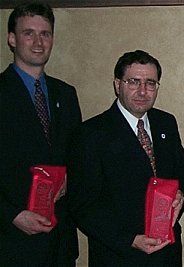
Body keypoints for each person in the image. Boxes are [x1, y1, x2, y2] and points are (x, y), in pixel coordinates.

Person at [68, 50, 184, 266]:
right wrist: (129, 240)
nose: (142, 91)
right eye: (134, 82)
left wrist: (181, 193)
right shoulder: (92, 133)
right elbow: (82, 204)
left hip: (167, 254)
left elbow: (183, 173)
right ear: (118, 84)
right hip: (119, 255)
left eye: (150, 83)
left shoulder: (166, 123)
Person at [0, 3, 82, 267]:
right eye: (29, 33)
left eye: (45, 34)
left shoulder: (66, 94)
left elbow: (76, 156)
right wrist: (11, 214)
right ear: (12, 39)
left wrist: (72, 176)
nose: (38, 42)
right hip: (11, 240)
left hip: (60, 242)